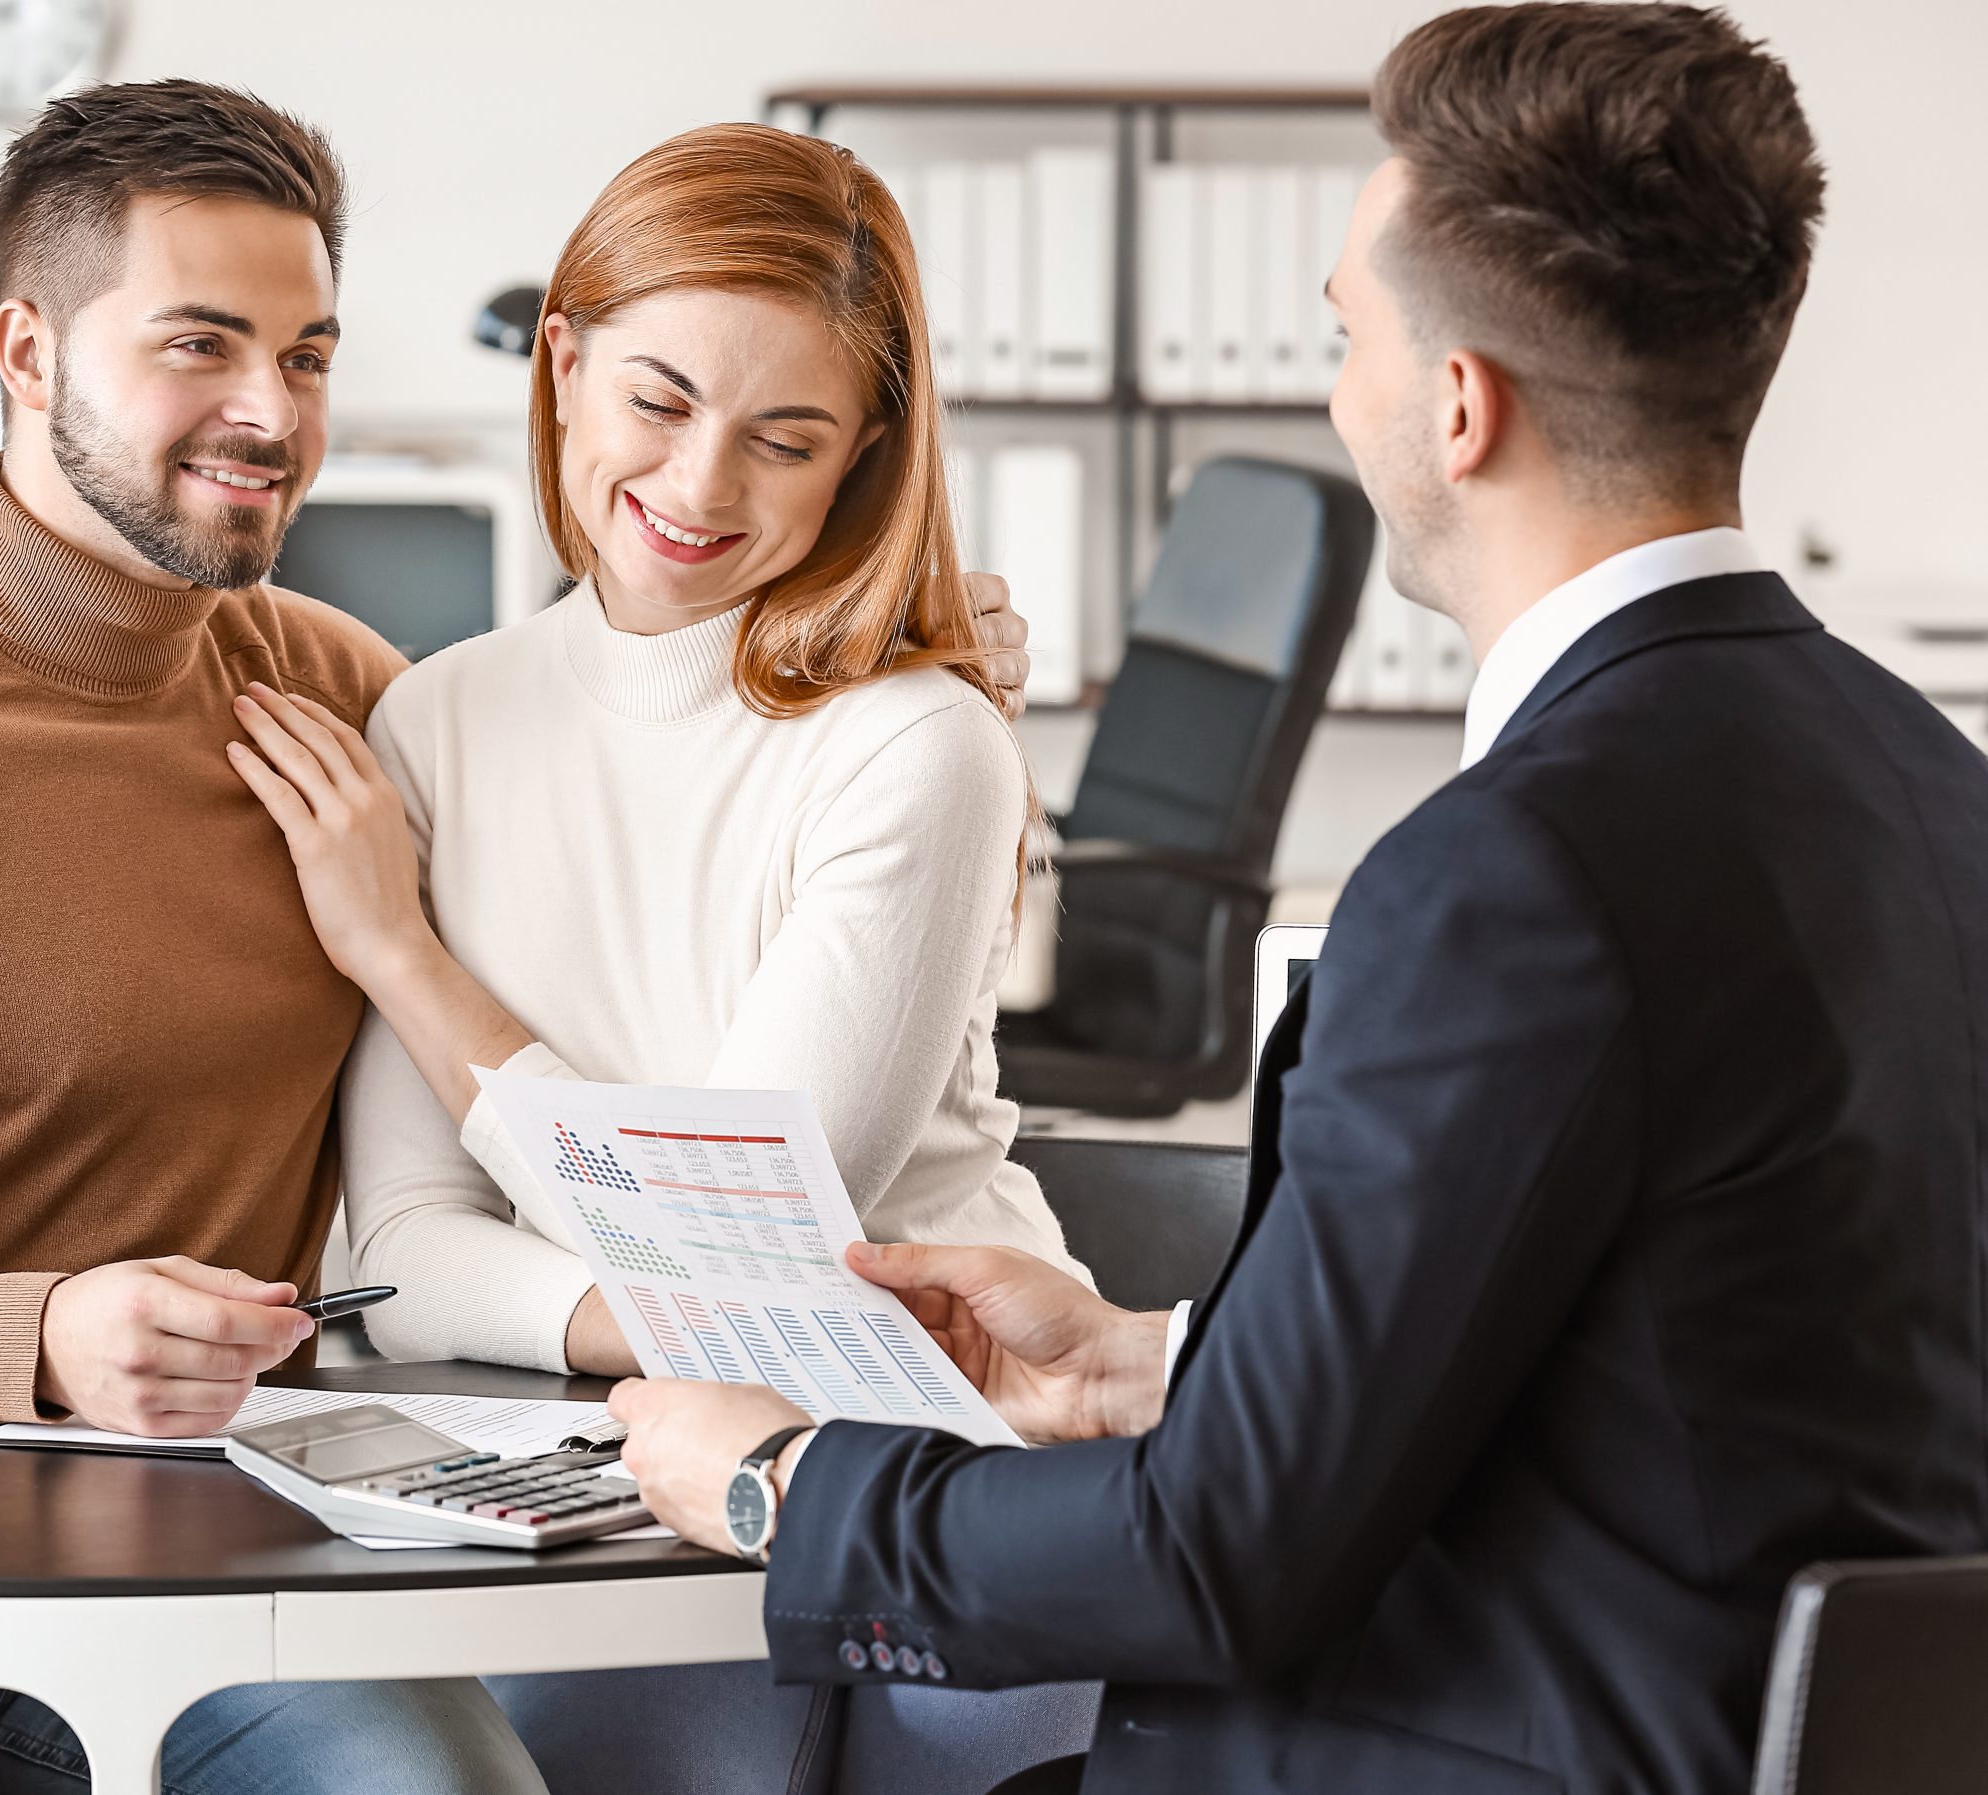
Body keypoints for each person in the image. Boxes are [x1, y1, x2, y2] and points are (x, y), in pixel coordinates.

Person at [0, 80, 1030, 1795]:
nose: (269, 411)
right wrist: (31, 1333)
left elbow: (638, 745)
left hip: (209, 1570)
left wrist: (924, 661)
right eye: (199, 345)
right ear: (26, 354)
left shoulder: (345, 702)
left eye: (310, 354)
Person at [606, 8, 1988, 1794]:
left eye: (1348, 337)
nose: (1339, 394)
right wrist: (1154, 1364)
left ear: (1459, 406)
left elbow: (1215, 1565)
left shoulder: (1515, 872)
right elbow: (1680, 1353)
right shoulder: (1925, 779)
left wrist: (778, 1482)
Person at [222, 125, 1095, 1794]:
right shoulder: (437, 722)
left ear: (864, 458)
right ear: (562, 362)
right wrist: (682, 1335)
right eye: (660, 401)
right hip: (605, 1468)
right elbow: (405, 1262)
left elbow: (747, 1219)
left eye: (786, 439)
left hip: (936, 1472)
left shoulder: (917, 743)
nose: (699, 490)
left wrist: (396, 951)